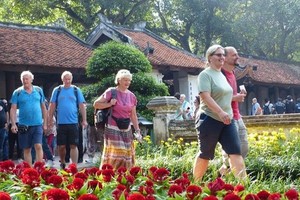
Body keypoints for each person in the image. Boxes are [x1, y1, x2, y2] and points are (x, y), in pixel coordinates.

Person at [193, 44, 247, 182]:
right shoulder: (205, 75)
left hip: (228, 120)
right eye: (218, 55)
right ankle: (195, 184)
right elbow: (205, 96)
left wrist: (231, 106)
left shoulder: (222, 75)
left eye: (223, 54)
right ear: (210, 57)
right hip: (209, 118)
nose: (222, 57)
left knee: (235, 152)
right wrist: (220, 112)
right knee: (205, 154)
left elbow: (225, 96)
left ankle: (244, 187)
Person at [93, 69, 142, 169]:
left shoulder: (132, 96)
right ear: (119, 80)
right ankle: (109, 174)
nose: (127, 82)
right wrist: (109, 104)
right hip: (112, 127)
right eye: (125, 80)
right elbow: (96, 104)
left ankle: (126, 176)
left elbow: (133, 115)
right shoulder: (111, 92)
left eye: (129, 80)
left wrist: (137, 130)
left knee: (127, 154)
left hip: (126, 128)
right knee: (118, 153)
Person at [219, 46, 249, 176]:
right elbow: (215, 97)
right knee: (230, 149)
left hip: (237, 116)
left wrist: (238, 94)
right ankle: (232, 177)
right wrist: (235, 97)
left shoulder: (232, 73)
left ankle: (226, 172)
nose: (237, 57)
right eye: (234, 55)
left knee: (244, 147)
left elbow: (229, 94)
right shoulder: (219, 75)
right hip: (227, 117)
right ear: (224, 58)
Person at [48, 71, 87, 169]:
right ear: (62, 79)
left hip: (73, 122)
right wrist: (50, 119)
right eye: (65, 79)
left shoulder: (76, 90)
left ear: (72, 79)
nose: (67, 81)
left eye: (69, 79)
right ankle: (63, 162)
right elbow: (52, 105)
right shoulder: (57, 90)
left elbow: (81, 105)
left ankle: (74, 165)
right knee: (61, 146)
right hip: (61, 122)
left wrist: (84, 119)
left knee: (74, 145)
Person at [9, 71, 48, 166]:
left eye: (27, 79)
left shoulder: (38, 90)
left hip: (37, 123)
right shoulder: (17, 92)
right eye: (23, 79)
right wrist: (13, 124)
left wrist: (45, 123)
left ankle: (39, 168)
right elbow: (13, 108)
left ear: (31, 79)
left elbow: (43, 107)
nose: (25, 81)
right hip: (24, 125)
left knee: (38, 145)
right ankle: (30, 170)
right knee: (27, 148)